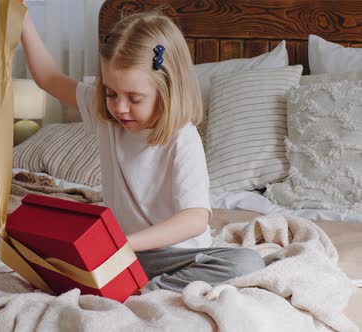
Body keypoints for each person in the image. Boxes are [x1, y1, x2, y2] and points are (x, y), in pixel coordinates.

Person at [19, 8, 265, 292]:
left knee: (246, 262)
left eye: (135, 98)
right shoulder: (106, 113)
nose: (120, 107)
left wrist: (123, 243)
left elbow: (195, 219)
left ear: (167, 90)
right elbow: (48, 77)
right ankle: (124, 283)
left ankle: (143, 291)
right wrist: (21, 18)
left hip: (173, 256)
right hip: (124, 254)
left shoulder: (181, 137)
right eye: (111, 93)